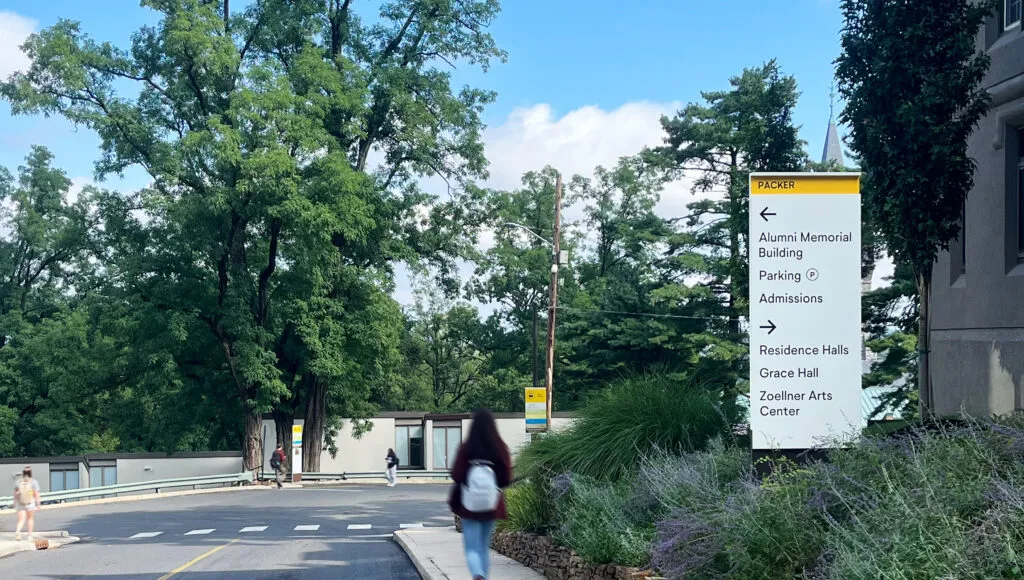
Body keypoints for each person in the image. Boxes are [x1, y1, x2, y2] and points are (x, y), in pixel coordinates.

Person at [447, 409, 513, 580]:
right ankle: (483, 575)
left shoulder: (466, 447)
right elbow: (506, 478)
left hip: (469, 505)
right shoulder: (500, 447)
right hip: (491, 506)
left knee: (471, 547)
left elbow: (456, 474)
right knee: (484, 546)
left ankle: (478, 575)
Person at [14, 466, 41, 541]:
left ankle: (18, 531)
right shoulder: (34, 482)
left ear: (23, 473)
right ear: (31, 473)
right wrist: (38, 504)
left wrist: (14, 502)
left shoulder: (18, 482)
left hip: (20, 503)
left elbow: (15, 493)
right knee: (30, 519)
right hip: (30, 503)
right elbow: (36, 494)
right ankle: (29, 536)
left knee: (21, 520)